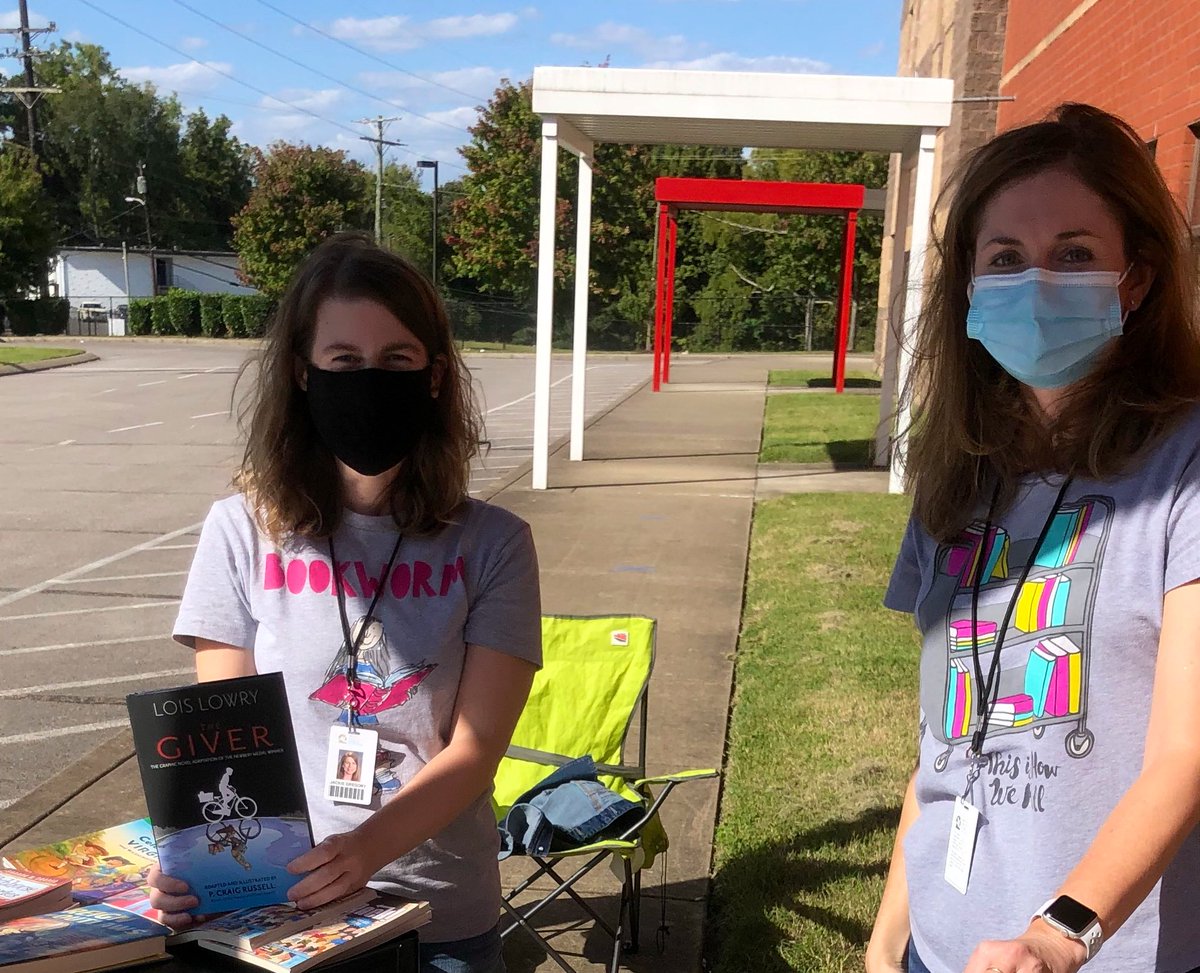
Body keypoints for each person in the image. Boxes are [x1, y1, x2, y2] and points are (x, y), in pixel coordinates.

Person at [147, 232, 542, 973]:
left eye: (397, 360)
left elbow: (475, 751)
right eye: (344, 361)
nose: (371, 381)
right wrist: (193, 864)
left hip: (436, 913)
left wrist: (365, 850)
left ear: (434, 377)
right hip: (279, 903)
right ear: (302, 373)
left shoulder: (495, 544)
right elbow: (227, 744)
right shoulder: (241, 530)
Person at [865, 103, 1200, 973]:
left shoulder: (1187, 467)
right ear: (970, 286)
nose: (1037, 281)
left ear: (1139, 279)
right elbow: (944, 743)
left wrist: (1056, 938)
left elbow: (1185, 755)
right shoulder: (955, 473)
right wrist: (889, 934)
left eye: (1076, 253)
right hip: (940, 949)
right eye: (1006, 258)